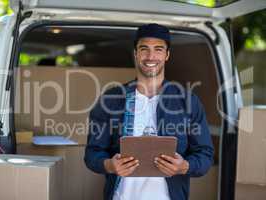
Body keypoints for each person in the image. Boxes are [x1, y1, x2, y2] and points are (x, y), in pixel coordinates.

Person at [84, 23, 214, 200]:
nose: (151, 56)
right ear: (136, 53)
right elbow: (92, 153)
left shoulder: (188, 101)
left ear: (167, 55)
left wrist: (183, 166)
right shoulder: (111, 100)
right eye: (144, 49)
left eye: (158, 49)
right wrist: (109, 165)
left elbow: (205, 155)